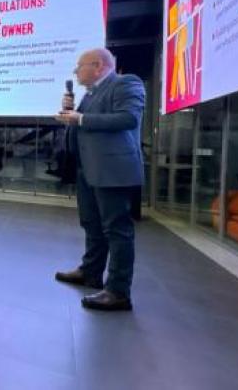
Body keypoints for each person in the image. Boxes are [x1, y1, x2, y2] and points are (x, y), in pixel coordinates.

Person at [54, 48, 145, 312]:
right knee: (91, 224)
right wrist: (70, 114)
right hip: (89, 168)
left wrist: (81, 118)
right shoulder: (90, 94)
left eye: (79, 66)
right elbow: (84, 124)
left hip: (112, 170)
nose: (76, 72)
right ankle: (90, 272)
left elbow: (128, 118)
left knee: (117, 229)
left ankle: (118, 291)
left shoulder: (126, 83)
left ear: (98, 66)